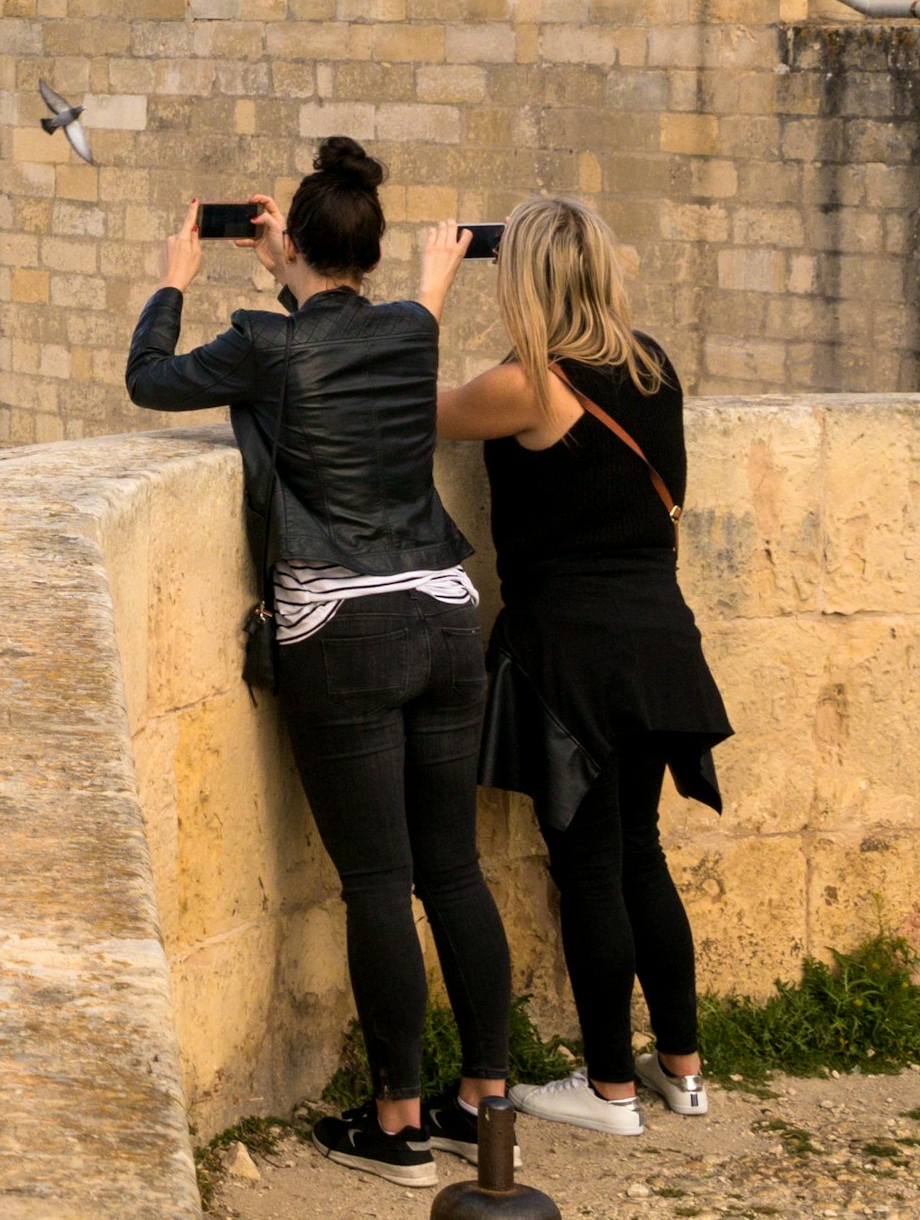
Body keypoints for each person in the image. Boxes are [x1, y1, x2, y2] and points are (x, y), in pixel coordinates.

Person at [130, 137, 513, 1188]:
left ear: (290, 242)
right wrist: (291, 265)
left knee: (380, 884)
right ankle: (486, 1096)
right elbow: (362, 332)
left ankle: (395, 1122)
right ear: (371, 251)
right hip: (441, 610)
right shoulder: (411, 331)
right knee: (454, 871)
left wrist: (176, 280)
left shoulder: (264, 341)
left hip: (341, 629)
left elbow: (149, 381)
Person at [437, 194, 729, 1136]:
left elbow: (416, 407)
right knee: (640, 852)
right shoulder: (655, 367)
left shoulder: (530, 384)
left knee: (589, 868)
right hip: (659, 640)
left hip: (575, 654)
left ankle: (609, 1088)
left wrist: (430, 289)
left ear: (527, 280)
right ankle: (681, 1070)